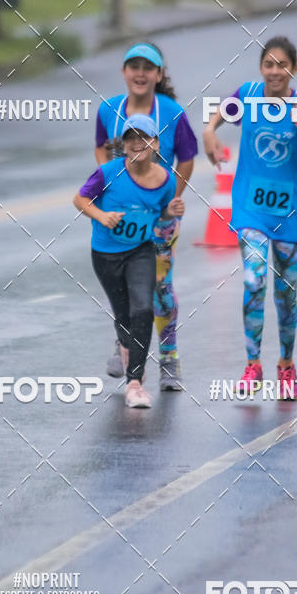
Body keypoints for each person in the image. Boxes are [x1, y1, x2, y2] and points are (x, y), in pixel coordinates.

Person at [202, 36, 297, 399]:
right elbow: (220, 113)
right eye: (269, 64)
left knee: (285, 295)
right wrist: (209, 132)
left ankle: (286, 365)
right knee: (255, 281)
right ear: (261, 68)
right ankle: (252, 365)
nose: (275, 71)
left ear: (294, 68)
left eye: (282, 65)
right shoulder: (248, 94)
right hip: (251, 208)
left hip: (290, 211)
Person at [94, 41, 197, 390]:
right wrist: (109, 189)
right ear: (124, 72)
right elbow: (101, 148)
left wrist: (169, 201)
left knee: (159, 287)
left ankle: (169, 359)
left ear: (158, 74)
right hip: (121, 218)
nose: (140, 73)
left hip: (160, 218)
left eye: (147, 67)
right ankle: (124, 345)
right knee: (123, 286)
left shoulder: (171, 112)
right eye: (133, 66)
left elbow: (187, 157)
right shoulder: (109, 109)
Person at [75, 114, 185, 408]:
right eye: (131, 138)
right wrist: (101, 216)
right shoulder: (108, 173)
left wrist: (170, 212)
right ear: (123, 145)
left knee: (143, 309)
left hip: (141, 251)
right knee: (123, 316)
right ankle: (127, 348)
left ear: (155, 143)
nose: (138, 143)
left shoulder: (166, 179)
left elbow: (160, 214)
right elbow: (80, 199)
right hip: (106, 254)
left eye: (144, 137)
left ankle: (134, 383)